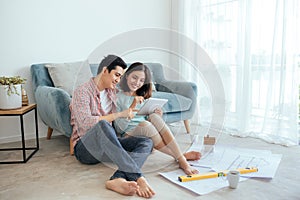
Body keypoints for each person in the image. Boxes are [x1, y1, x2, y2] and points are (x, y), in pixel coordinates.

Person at [69, 55, 155, 198]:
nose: (118, 80)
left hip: (109, 145)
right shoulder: (82, 92)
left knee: (146, 142)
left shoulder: (112, 91)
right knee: (102, 124)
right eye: (116, 75)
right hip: (86, 148)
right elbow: (85, 122)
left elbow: (132, 90)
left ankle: (117, 179)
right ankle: (139, 177)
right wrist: (119, 115)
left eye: (120, 76)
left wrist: (136, 101)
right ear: (104, 70)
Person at [114, 62, 201, 175]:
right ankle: (181, 158)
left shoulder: (142, 96)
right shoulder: (117, 98)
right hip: (128, 135)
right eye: (134, 78)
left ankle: (180, 157)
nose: (137, 83)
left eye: (141, 80)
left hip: (146, 134)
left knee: (154, 116)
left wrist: (157, 114)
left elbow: (145, 117)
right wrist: (132, 106)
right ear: (127, 76)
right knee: (145, 125)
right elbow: (119, 128)